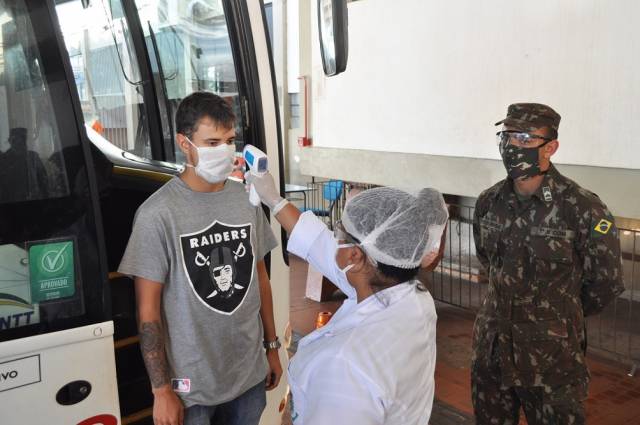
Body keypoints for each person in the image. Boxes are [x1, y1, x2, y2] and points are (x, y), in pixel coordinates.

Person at [118, 92, 282, 425]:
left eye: (230, 140)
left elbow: (259, 279)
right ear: (184, 143)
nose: (224, 151)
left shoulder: (247, 200)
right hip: (190, 388)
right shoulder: (157, 214)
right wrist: (161, 390)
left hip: (248, 375)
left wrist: (272, 346)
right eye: (212, 142)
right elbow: (148, 311)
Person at [246, 168, 449, 424]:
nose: (334, 238)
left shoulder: (344, 366)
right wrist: (274, 199)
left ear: (354, 256)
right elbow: (320, 244)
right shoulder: (413, 298)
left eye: (339, 232)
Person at [472, 103, 625, 424]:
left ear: (550, 147)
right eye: (508, 137)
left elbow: (605, 283)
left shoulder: (582, 207)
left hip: (550, 360)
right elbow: (488, 261)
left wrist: (557, 314)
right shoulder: (489, 201)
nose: (514, 146)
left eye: (526, 139)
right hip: (493, 351)